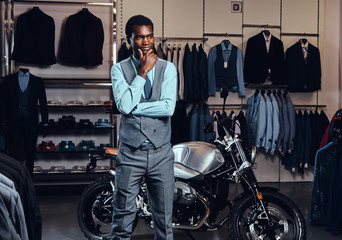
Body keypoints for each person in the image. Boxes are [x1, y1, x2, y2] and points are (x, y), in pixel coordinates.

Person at [110, 15, 177, 240]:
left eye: (149, 36)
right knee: (123, 218)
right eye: (139, 37)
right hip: (130, 154)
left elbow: (168, 108)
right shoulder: (118, 70)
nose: (146, 42)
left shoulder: (169, 69)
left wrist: (132, 107)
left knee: (164, 219)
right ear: (129, 39)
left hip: (161, 154)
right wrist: (142, 73)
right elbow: (123, 105)